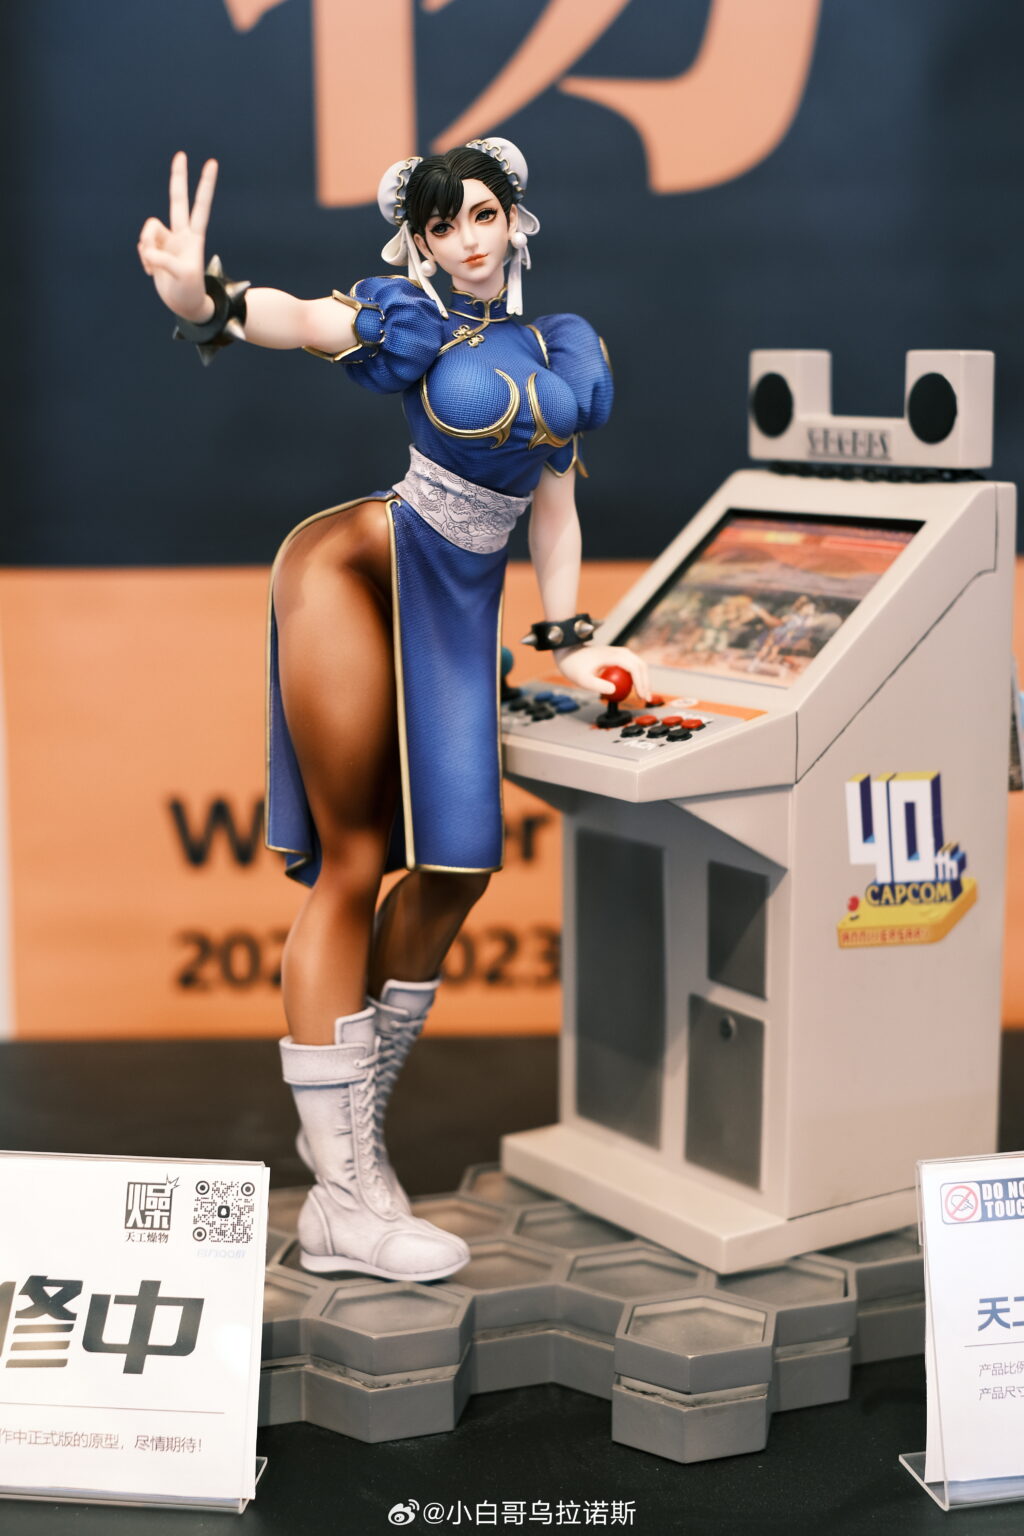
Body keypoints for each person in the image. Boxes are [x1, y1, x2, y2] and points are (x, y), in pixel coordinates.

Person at [137, 139, 647, 1283]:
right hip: (358, 568)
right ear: (417, 240)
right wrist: (209, 301)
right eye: (441, 224)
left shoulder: (560, 347)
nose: (466, 240)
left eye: (482, 215)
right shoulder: (410, 319)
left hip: (459, 609)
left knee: (457, 871)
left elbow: (554, 509)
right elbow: (302, 321)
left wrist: (570, 636)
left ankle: (348, 1162)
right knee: (355, 860)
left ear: (514, 217)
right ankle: (350, 1192)